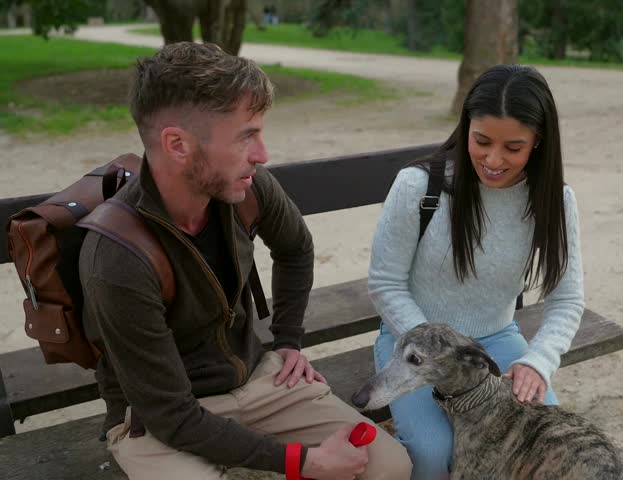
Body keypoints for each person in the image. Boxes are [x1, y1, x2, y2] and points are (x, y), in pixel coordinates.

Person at [79, 42, 411, 480]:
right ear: (177, 144)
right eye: (245, 136)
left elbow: (296, 248)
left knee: (390, 466)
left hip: (257, 382)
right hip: (159, 420)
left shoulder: (247, 187)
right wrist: (303, 463)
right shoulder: (117, 257)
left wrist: (288, 341)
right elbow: (173, 417)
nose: (262, 154)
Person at [368, 64, 585, 479]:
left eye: (513, 147)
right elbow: (385, 283)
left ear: (538, 142)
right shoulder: (418, 186)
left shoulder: (555, 201)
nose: (493, 159)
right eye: (481, 141)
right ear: (466, 126)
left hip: (497, 341)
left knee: (546, 447)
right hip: (412, 345)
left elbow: (567, 299)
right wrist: (431, 350)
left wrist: (538, 361)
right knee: (433, 452)